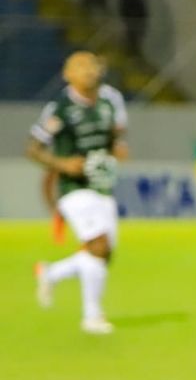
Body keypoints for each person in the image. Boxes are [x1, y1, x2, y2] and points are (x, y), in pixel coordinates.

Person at [29, 52, 128, 334]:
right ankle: (92, 317)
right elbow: (33, 148)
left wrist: (116, 148)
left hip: (102, 185)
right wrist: (61, 163)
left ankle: (51, 273)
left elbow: (116, 135)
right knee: (99, 246)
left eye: (92, 65)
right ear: (67, 74)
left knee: (103, 253)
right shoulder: (60, 108)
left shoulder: (111, 101)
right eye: (80, 67)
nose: (88, 71)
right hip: (73, 188)